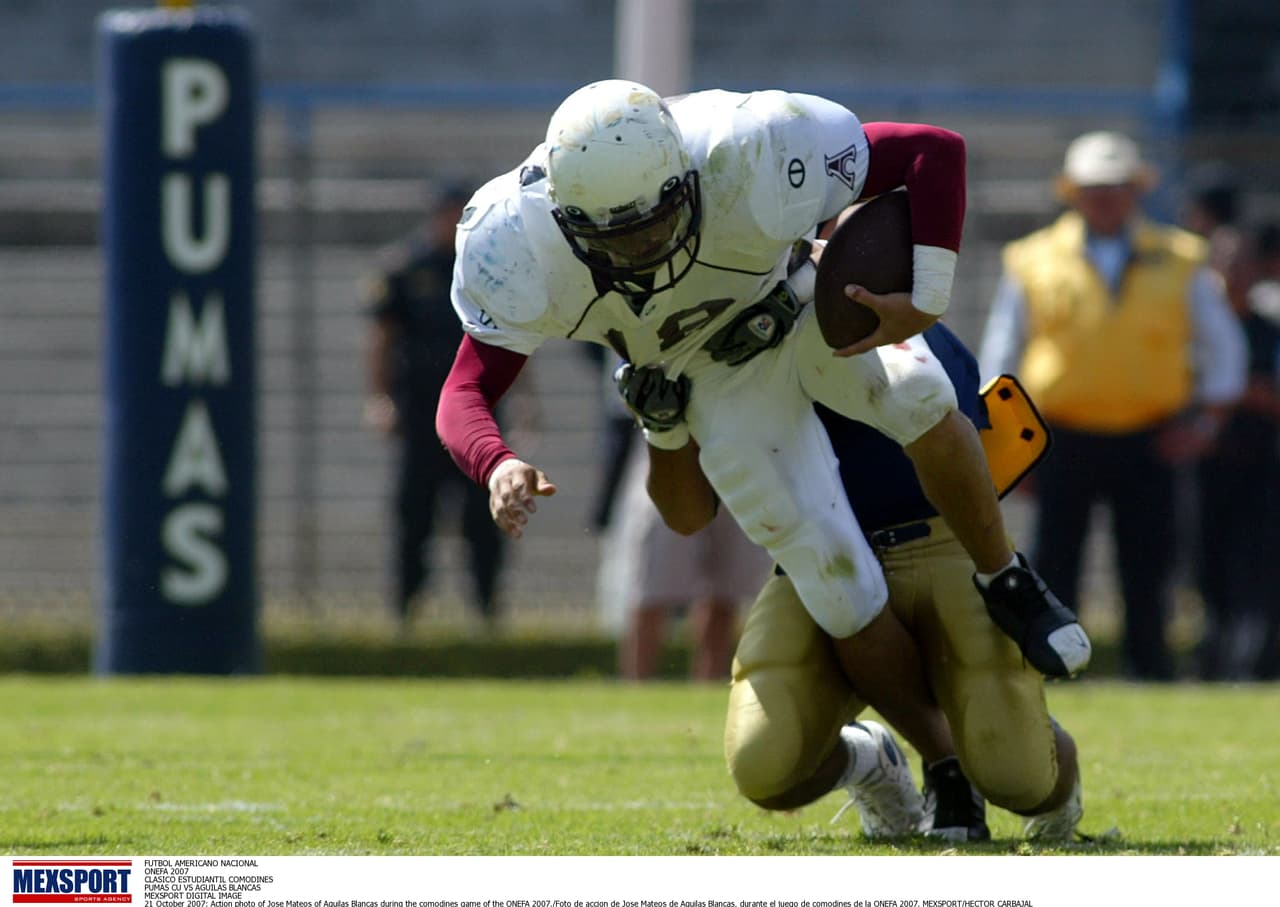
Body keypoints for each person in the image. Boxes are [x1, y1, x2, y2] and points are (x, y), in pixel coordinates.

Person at [436, 81, 1089, 751]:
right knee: (832, 580)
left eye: (652, 224)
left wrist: (926, 296)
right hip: (713, 373)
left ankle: (1007, 575)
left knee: (915, 389)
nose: (639, 251)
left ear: (684, 180)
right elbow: (464, 391)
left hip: (798, 299)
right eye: (612, 236)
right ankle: (942, 764)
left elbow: (931, 151)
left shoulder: (747, 146)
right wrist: (497, 461)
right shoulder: (511, 239)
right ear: (565, 217)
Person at [629, 319, 1083, 842]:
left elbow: (953, 447)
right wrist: (661, 428)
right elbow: (686, 516)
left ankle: (1028, 762)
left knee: (1016, 776)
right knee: (764, 765)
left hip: (938, 542)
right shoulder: (715, 343)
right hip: (814, 558)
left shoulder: (897, 324)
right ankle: (872, 760)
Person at [978, 131, 1247, 681]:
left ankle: (1150, 671)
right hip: (1060, 436)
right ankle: (1051, 669)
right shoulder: (1032, 259)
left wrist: (1207, 423)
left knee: (1149, 565)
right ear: (1073, 192)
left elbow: (1224, 347)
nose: (1104, 197)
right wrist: (1009, 448)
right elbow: (1001, 355)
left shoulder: (1181, 259)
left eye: (1115, 187)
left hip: (1151, 436)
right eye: (1093, 187)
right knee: (1054, 562)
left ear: (1135, 191)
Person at [362, 183, 508, 630]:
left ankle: (486, 613)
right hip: (421, 413)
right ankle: (406, 614)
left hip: (477, 415)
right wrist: (379, 399)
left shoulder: (488, 269)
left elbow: (510, 336)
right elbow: (382, 340)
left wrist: (523, 401)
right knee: (414, 517)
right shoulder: (405, 269)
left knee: (483, 519)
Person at [598, 420, 773, 681]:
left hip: (740, 449)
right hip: (669, 447)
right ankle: (636, 689)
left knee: (725, 591)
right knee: (651, 588)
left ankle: (708, 687)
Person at [1191, 227, 1280, 680]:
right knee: (1206, 571)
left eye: (1242, 263)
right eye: (1224, 264)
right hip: (1203, 470)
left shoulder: (1268, 330)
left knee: (1256, 574)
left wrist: (1232, 392)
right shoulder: (1197, 330)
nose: (1233, 274)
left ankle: (1250, 667)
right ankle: (1212, 663)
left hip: (1260, 470)